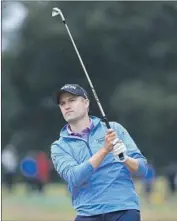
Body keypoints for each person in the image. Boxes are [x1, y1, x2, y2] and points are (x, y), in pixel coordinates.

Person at [51, 84, 148, 221]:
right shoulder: (59, 146)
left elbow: (142, 169)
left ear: (86, 103)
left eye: (72, 100)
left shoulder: (114, 129)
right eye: (62, 103)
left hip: (123, 209)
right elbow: (74, 177)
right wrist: (104, 150)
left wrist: (124, 158)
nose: (66, 106)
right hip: (87, 213)